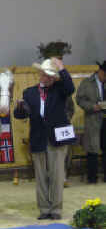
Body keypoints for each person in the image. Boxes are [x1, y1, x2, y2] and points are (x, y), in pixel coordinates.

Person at [14, 58, 75, 220]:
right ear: (40, 75)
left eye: (51, 76)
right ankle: (44, 208)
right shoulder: (29, 93)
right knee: (40, 176)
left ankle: (56, 209)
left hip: (57, 139)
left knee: (56, 175)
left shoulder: (60, 90)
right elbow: (20, 115)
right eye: (45, 75)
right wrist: (20, 107)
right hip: (38, 138)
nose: (48, 78)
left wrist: (62, 68)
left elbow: (70, 87)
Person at [75, 60, 106, 183]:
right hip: (93, 119)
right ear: (100, 72)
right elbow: (79, 100)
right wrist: (92, 106)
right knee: (92, 149)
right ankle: (92, 178)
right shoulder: (86, 83)